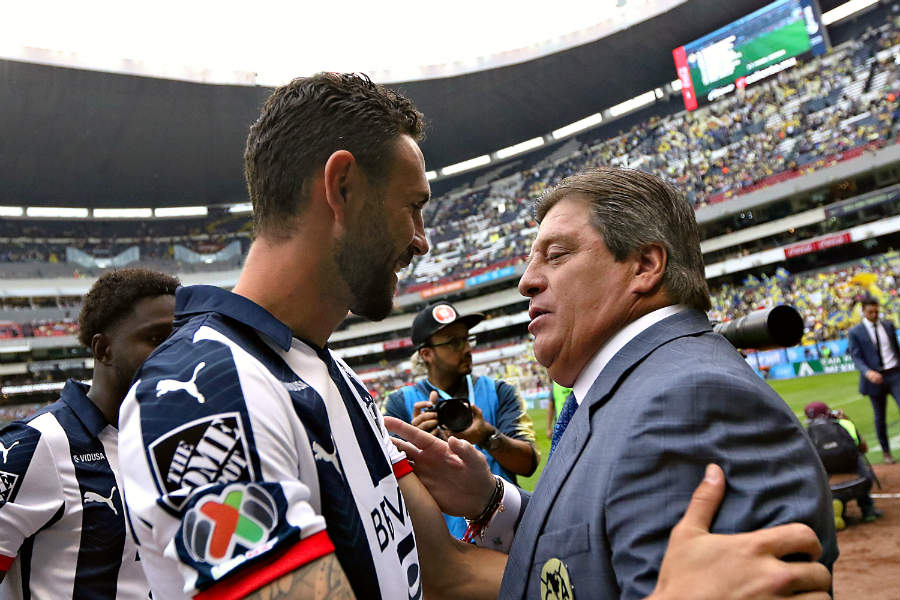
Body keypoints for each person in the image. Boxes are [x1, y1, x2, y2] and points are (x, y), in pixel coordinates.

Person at [119, 74, 832, 600]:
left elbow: (453, 573)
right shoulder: (205, 398)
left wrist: (493, 503)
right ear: (341, 188)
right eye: (414, 207)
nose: (423, 240)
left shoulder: (338, 383)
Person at [387, 166, 837, 600]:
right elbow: (591, 562)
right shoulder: (633, 390)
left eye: (556, 254)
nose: (526, 281)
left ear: (644, 265)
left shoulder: (693, 403)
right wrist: (490, 501)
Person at [0, 268, 178, 599]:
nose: (175, 353)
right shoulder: (37, 446)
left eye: (179, 338)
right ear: (103, 349)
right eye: (156, 339)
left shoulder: (177, 439)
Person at [384, 302, 539, 537]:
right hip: (443, 544)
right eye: (455, 342)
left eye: (468, 339)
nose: (467, 349)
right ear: (426, 354)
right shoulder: (399, 404)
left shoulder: (499, 391)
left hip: (507, 535)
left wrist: (488, 436)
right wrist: (413, 448)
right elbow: (389, 485)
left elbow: (528, 464)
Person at [804, 401, 882, 528]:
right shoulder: (844, 424)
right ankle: (868, 510)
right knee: (858, 458)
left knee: (819, 468)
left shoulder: (805, 433)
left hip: (830, 489)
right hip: (860, 482)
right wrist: (847, 421)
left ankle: (837, 506)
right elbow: (863, 449)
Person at [847, 296, 900, 464]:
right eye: (870, 312)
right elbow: (856, 356)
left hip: (895, 374)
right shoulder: (855, 332)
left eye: (876, 311)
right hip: (873, 379)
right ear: (863, 311)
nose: (874, 314)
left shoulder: (888, 325)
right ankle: (886, 453)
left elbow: (895, 349)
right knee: (880, 417)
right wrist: (867, 372)